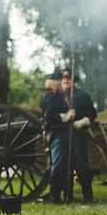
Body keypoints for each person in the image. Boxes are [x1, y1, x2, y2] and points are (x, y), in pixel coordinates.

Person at [62, 68, 97, 204]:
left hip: (78, 134)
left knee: (81, 165)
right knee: (65, 166)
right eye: (64, 78)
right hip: (63, 135)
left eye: (68, 78)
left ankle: (88, 197)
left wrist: (83, 121)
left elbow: (92, 113)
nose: (65, 80)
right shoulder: (59, 96)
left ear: (73, 80)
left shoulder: (83, 96)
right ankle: (67, 196)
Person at [40, 70, 75, 204]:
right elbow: (49, 116)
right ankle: (55, 197)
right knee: (58, 166)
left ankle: (61, 195)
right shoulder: (54, 96)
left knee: (60, 165)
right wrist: (65, 117)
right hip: (57, 133)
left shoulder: (53, 95)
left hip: (57, 133)